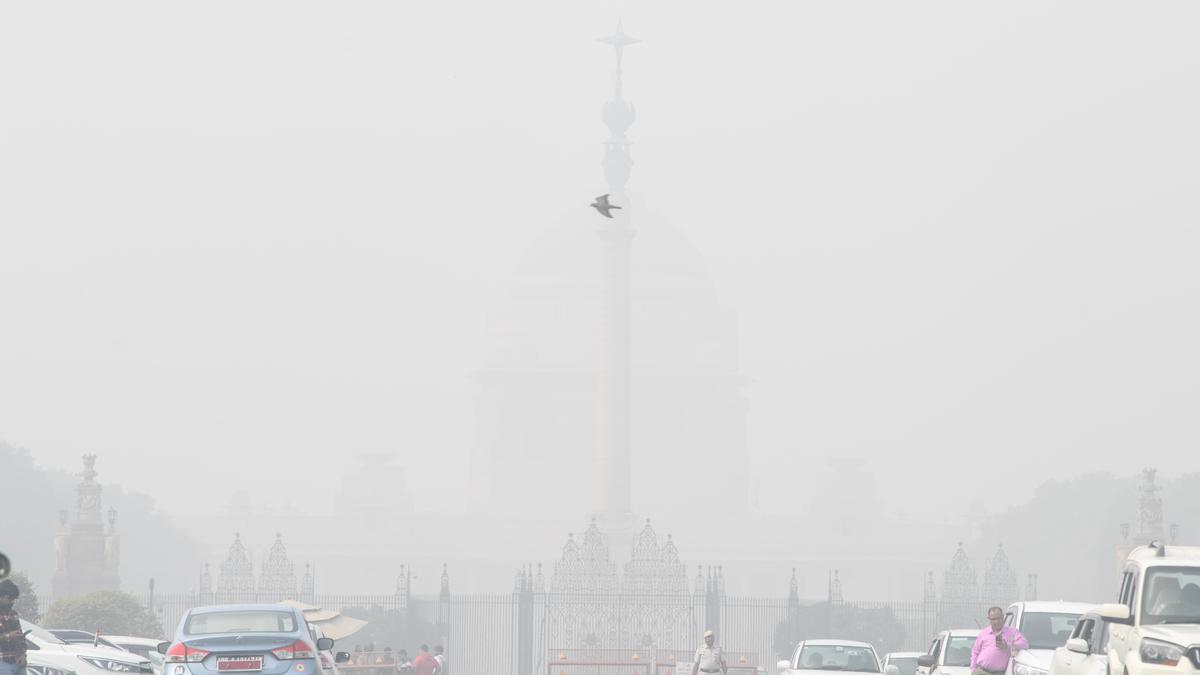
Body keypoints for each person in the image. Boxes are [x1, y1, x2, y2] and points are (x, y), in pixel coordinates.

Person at [971, 606, 1028, 675]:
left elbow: (1025, 644)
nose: (996, 621)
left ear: (1003, 617)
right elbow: (975, 652)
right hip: (981, 671)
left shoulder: (1012, 632)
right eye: (993, 619)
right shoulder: (983, 633)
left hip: (1000, 673)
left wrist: (1007, 646)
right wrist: (973, 669)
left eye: (999, 618)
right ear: (989, 619)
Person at [0, 580, 27, 675]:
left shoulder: (13, 614)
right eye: (9, 599)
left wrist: (23, 655)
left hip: (18, 662)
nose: (11, 602)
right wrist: (9, 636)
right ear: (1, 596)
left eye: (13, 599)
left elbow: (21, 638)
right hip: (2, 663)